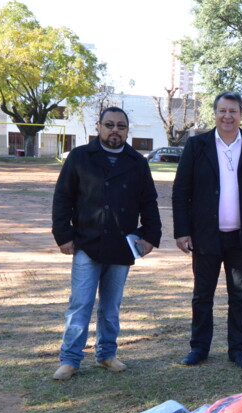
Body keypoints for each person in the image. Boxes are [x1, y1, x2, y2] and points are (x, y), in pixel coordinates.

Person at [51, 107, 162, 380]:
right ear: (98, 126)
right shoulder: (80, 157)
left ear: (127, 130)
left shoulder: (137, 162)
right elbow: (63, 198)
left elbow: (149, 202)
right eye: (110, 125)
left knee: (111, 306)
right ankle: (70, 359)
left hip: (121, 245)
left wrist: (150, 236)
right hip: (87, 243)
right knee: (81, 304)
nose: (115, 130)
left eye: (121, 126)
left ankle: (106, 354)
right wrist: (63, 236)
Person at [172, 92, 242, 369]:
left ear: (241, 114)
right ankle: (199, 348)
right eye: (222, 111)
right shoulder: (197, 146)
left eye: (233, 111)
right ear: (214, 114)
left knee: (240, 296)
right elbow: (181, 191)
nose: (227, 116)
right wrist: (182, 231)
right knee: (202, 295)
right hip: (205, 235)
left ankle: (238, 350)